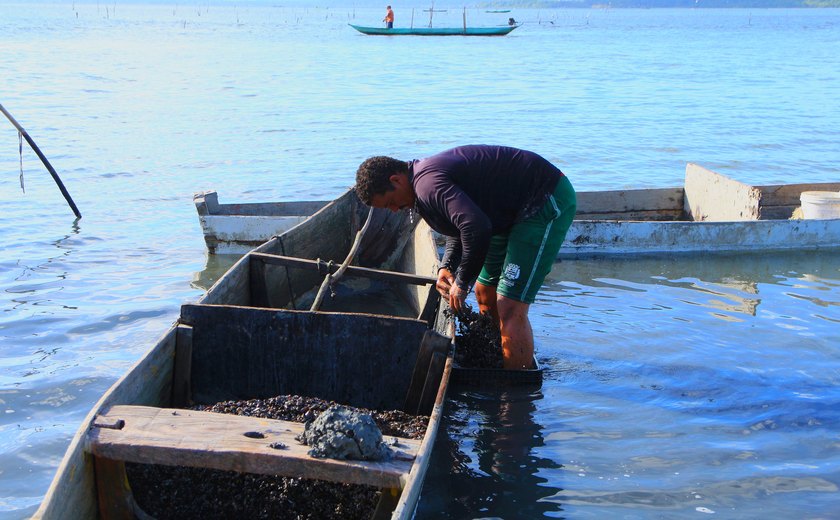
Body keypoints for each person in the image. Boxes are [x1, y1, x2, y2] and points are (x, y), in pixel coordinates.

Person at [355, 145, 576, 370]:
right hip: (503, 213)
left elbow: (475, 227)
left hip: (542, 198)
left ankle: (516, 389)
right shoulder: (420, 186)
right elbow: (460, 227)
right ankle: (497, 357)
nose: (394, 210)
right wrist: (447, 267)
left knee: (509, 305)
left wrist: (461, 284)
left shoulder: (428, 186)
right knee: (484, 292)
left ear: (396, 180)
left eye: (390, 202)